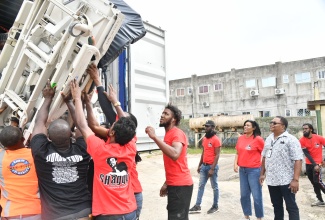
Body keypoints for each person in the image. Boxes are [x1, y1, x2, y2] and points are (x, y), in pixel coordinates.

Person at [69, 79, 138, 219]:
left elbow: (82, 125)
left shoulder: (100, 149)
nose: (110, 126)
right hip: (129, 211)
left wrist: (76, 98)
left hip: (108, 214)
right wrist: (116, 103)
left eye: (112, 126)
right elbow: (127, 124)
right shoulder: (130, 147)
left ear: (112, 133)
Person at [86, 63, 143, 219]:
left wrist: (98, 82)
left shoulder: (119, 138)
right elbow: (95, 125)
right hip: (129, 200)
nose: (116, 119)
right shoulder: (129, 143)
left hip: (127, 199)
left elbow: (94, 122)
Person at [30, 81, 92, 219]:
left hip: (57, 215)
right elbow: (82, 126)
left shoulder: (40, 151)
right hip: (84, 210)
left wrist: (47, 98)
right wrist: (70, 103)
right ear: (71, 135)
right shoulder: (83, 149)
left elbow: (39, 123)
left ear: (48, 137)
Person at [145, 104, 193, 220]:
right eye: (162, 113)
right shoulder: (169, 134)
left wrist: (154, 137)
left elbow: (175, 154)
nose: (162, 115)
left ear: (174, 119)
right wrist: (167, 182)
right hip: (175, 184)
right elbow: (175, 164)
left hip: (180, 186)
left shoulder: (177, 133)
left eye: (166, 114)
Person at [259, 116, 303, 220]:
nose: (271, 124)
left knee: (291, 207)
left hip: (286, 180)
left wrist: (295, 180)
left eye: (274, 123)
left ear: (283, 126)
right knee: (277, 206)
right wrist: (262, 173)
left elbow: (298, 159)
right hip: (272, 180)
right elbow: (265, 156)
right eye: (271, 122)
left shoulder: (291, 140)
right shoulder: (269, 139)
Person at [0, 126, 41, 219]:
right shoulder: (35, 154)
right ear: (23, 139)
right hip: (36, 211)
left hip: (10, 213)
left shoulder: (1, 158)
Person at [234, 120, 264, 220]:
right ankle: (246, 216)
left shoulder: (258, 139)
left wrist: (263, 172)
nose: (245, 127)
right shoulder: (241, 138)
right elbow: (237, 152)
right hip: (242, 171)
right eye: (245, 125)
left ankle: (259, 217)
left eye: (248, 125)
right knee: (244, 195)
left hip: (254, 171)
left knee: (256, 195)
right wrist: (235, 164)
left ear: (254, 128)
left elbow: (265, 155)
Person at [189, 120, 221, 214]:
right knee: (201, 186)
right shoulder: (205, 139)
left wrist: (212, 169)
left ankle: (215, 206)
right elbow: (203, 153)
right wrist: (200, 165)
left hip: (212, 167)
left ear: (213, 128)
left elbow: (217, 155)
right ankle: (197, 205)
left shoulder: (216, 139)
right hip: (204, 166)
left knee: (214, 187)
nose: (205, 128)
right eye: (205, 126)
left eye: (208, 126)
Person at [299, 123, 325, 207]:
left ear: (310, 129)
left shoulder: (319, 138)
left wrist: (324, 160)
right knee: (314, 183)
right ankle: (320, 200)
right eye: (303, 129)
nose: (304, 130)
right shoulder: (302, 140)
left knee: (318, 181)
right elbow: (307, 154)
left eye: (306, 128)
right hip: (309, 164)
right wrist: (314, 165)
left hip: (318, 164)